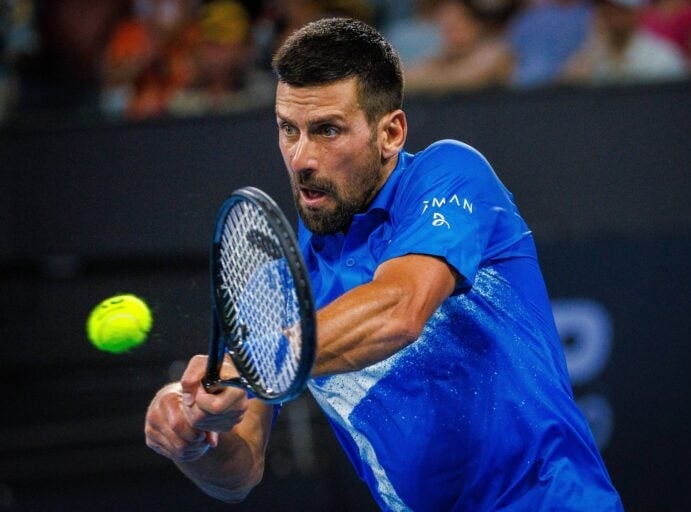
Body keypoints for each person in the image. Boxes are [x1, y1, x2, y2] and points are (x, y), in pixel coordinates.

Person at [144, 17, 624, 511]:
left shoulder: (451, 175)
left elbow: (399, 310)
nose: (301, 158)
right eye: (289, 129)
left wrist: (249, 365)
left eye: (327, 130)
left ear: (390, 133)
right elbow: (240, 471)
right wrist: (196, 439)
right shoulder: (278, 288)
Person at [561, 0, 689, 84]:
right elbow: (566, 95)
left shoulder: (662, 55)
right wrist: (593, 47)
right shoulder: (589, 54)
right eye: (605, 10)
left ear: (635, 13)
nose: (611, 17)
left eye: (619, 11)